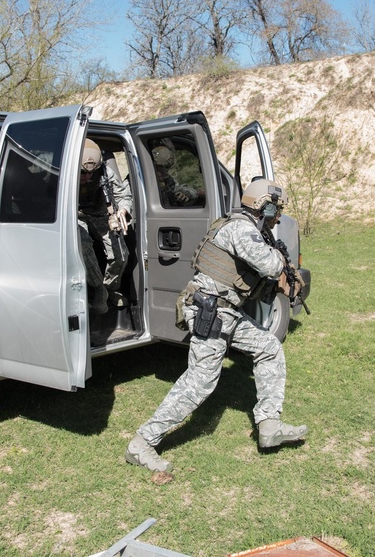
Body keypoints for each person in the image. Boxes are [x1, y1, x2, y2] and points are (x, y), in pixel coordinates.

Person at [125, 179, 307, 474]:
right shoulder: (241, 229)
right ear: (265, 205)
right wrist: (282, 260)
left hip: (227, 313)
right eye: (277, 209)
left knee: (269, 347)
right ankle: (142, 443)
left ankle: (269, 424)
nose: (278, 217)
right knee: (200, 383)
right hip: (211, 312)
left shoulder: (248, 228)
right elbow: (271, 266)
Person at [78, 139, 133, 314]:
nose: (87, 177)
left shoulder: (104, 172)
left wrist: (122, 211)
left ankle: (110, 288)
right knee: (84, 245)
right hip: (74, 216)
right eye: (82, 174)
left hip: (101, 214)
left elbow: (122, 194)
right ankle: (97, 289)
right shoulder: (62, 173)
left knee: (121, 254)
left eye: (91, 174)